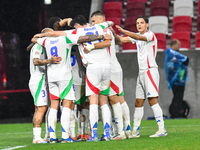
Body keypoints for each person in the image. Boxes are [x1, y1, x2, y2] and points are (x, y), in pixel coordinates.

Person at [31, 26, 112, 143]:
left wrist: (41, 36)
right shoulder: (65, 39)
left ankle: (52, 136)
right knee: (67, 104)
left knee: (54, 106)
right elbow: (84, 38)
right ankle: (65, 136)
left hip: (51, 76)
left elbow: (34, 40)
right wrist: (101, 36)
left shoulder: (45, 41)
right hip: (64, 76)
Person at [115, 16, 167, 137]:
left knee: (152, 100)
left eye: (142, 23)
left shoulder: (150, 35)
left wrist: (123, 30)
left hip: (150, 71)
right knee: (138, 102)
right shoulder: (136, 36)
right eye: (137, 23)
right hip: (141, 73)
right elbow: (121, 40)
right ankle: (136, 131)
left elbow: (138, 37)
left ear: (147, 25)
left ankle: (162, 129)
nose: (139, 25)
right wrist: (112, 33)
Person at [90, 10, 133, 140]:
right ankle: (127, 130)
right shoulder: (108, 31)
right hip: (115, 67)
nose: (92, 24)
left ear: (100, 20)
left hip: (110, 68)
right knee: (120, 99)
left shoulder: (104, 31)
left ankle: (120, 132)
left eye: (93, 21)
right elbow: (118, 41)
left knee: (114, 100)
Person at [28, 27, 62, 143]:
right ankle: (36, 137)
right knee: (41, 108)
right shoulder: (38, 46)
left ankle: (47, 134)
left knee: (47, 108)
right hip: (38, 80)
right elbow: (36, 61)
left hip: (44, 80)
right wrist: (50, 61)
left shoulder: (44, 46)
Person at [164, 39, 189, 119]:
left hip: (178, 80)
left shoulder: (171, 55)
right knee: (177, 98)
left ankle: (176, 113)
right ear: (174, 45)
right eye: (178, 45)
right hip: (177, 81)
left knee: (178, 97)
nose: (179, 47)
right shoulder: (172, 53)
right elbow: (186, 60)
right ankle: (175, 114)